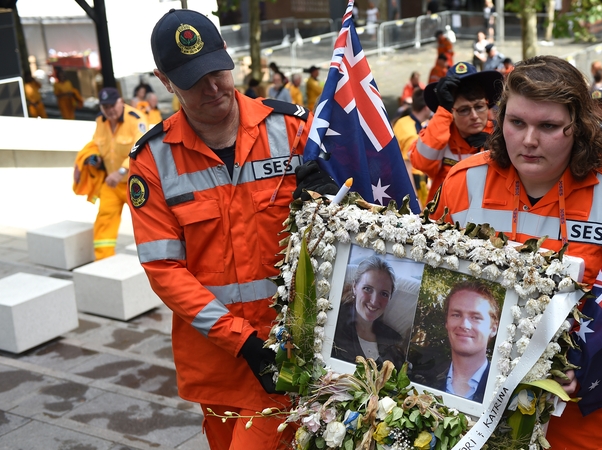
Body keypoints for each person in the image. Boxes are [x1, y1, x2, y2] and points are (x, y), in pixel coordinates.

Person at [431, 55, 602, 449]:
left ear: (579, 126)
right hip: (476, 413)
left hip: (583, 421)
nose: (529, 140)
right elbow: (438, 274)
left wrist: (591, 365)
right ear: (500, 121)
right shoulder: (463, 182)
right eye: (517, 123)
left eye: (548, 126)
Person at [127, 9, 315, 450]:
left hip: (291, 349)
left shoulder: (290, 128)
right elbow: (164, 269)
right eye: (194, 79)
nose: (212, 87)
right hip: (218, 364)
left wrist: (331, 197)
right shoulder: (152, 160)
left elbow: (354, 223)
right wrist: (244, 343)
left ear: (228, 55)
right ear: (165, 80)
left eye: (217, 70)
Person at [410, 61, 502, 203]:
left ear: (487, 103)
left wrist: (496, 150)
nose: (474, 116)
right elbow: (421, 163)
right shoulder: (439, 132)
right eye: (464, 110)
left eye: (479, 106)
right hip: (444, 221)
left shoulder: (501, 135)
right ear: (451, 112)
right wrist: (443, 111)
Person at [72, 87, 146, 260]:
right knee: (104, 221)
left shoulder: (136, 119)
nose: (110, 110)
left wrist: (122, 171)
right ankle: (104, 262)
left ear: (121, 102)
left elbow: (141, 148)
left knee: (146, 222)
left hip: (135, 182)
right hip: (111, 183)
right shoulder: (101, 120)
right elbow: (97, 144)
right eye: (105, 107)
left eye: (113, 105)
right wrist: (95, 158)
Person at [333, 256, 405, 367]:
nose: (374, 301)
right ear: (355, 287)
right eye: (367, 289)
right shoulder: (333, 325)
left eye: (384, 294)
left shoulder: (394, 341)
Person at [441, 282, 499, 401]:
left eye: (476, 318)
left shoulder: (502, 387)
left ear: (493, 329)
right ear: (446, 323)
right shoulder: (422, 377)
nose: (464, 325)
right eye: (456, 315)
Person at [393, 88, 430, 208]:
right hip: (416, 182)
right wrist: (414, 198)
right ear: (426, 108)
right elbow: (407, 166)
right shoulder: (412, 135)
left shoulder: (403, 120)